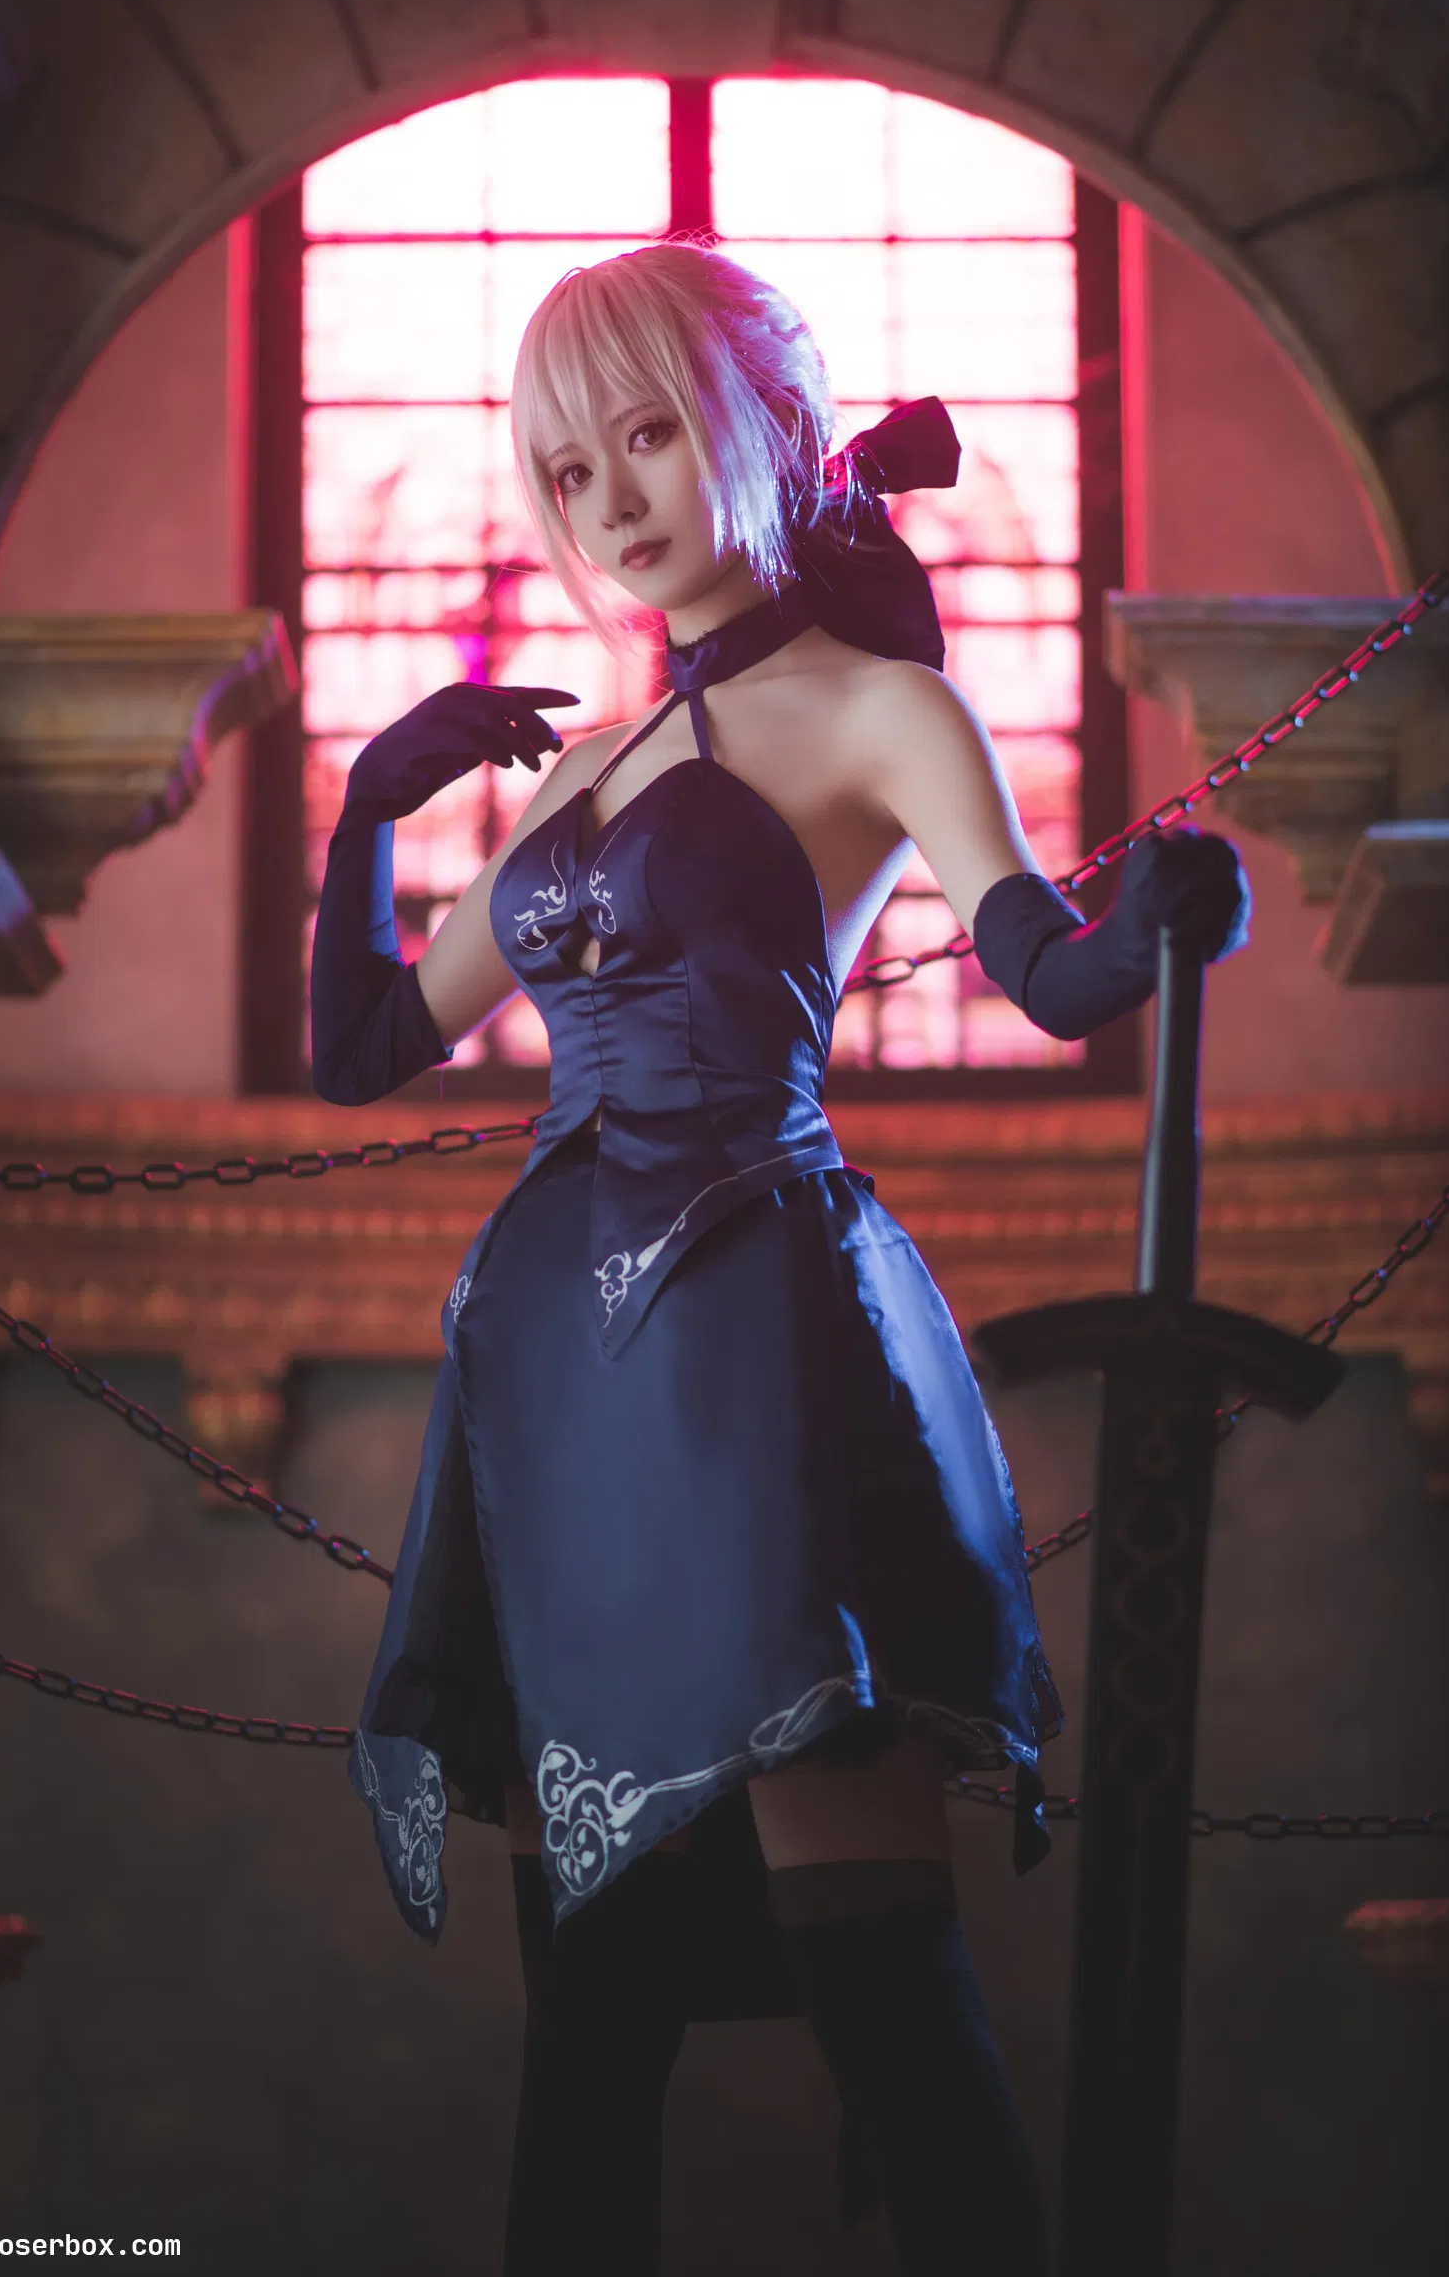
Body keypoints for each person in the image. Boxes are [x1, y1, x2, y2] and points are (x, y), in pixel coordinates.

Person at [310, 241, 1249, 2275]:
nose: (612, 498)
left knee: (881, 1979)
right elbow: (366, 1044)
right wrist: (371, 810)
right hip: (552, 1387)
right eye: (572, 469)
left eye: (649, 432)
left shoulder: (880, 710)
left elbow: (1044, 966)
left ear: (766, 429)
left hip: (752, 1340)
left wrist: (1162, 916)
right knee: (591, 2027)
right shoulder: (580, 769)